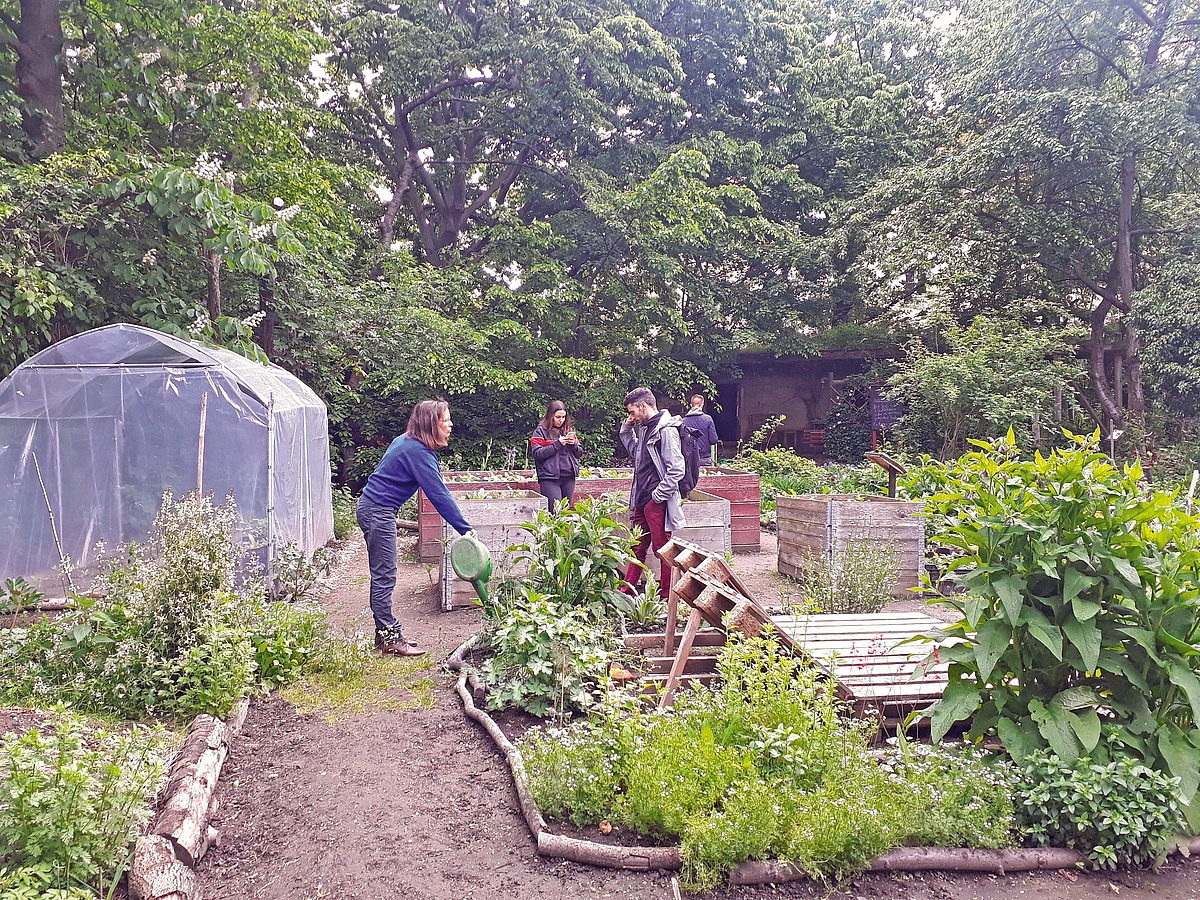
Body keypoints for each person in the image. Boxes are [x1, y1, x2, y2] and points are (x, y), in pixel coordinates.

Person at [357, 400, 474, 656]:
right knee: (384, 576)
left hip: (375, 509)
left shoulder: (409, 443)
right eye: (446, 420)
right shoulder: (417, 452)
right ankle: (389, 639)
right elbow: (439, 495)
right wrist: (465, 529)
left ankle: (387, 635)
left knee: (384, 575)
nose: (451, 425)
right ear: (432, 423)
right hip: (378, 512)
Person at [618, 387, 686, 600]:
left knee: (663, 549)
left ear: (643, 406)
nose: (631, 417)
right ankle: (626, 590)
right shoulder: (644, 427)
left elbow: (677, 469)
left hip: (656, 501)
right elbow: (636, 454)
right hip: (641, 499)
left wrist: (657, 497)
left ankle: (668, 595)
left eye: (632, 412)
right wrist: (626, 429)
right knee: (636, 545)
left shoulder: (666, 430)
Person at [530, 400, 583, 509]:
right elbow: (537, 454)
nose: (561, 420)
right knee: (555, 512)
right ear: (550, 416)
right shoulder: (540, 432)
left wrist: (573, 445)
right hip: (549, 478)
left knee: (564, 511)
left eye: (563, 417)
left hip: (569, 477)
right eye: (558, 417)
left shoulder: (568, 430)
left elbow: (579, 453)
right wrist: (557, 444)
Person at [684, 393, 720, 465]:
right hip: (704, 459)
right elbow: (714, 440)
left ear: (691, 405)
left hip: (689, 460)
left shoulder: (683, 421)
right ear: (702, 405)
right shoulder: (708, 419)